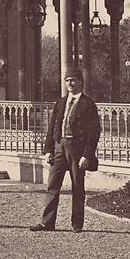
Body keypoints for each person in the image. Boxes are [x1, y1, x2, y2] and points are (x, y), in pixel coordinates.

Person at [30, 69, 101, 233]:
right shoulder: (61, 102)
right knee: (52, 185)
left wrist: (87, 155)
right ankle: (47, 222)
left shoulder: (88, 104)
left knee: (77, 186)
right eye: (67, 80)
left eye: (73, 80)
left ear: (81, 82)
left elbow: (94, 132)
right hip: (59, 147)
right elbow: (52, 127)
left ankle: (77, 224)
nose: (70, 83)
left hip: (77, 150)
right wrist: (48, 150)